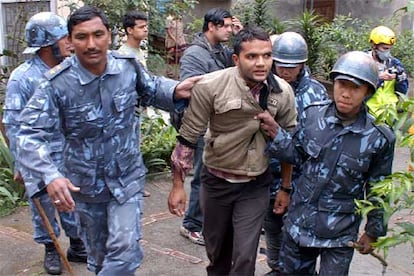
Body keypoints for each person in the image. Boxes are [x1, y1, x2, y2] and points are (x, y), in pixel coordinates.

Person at [15, 6, 199, 275]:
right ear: (70, 40)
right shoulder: (56, 84)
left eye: (98, 34)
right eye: (81, 37)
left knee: (124, 252)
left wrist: (176, 90)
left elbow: (151, 89)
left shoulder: (127, 68)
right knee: (100, 260)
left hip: (127, 182)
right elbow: (27, 133)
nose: (91, 44)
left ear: (109, 35)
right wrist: (50, 174)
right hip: (86, 190)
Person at [168, 27, 297, 275]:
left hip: (255, 185)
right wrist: (177, 185)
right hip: (216, 182)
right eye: (252, 56)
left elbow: (289, 146)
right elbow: (188, 136)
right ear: (236, 59)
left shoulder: (282, 92)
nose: (261, 63)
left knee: (245, 258)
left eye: (267, 56)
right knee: (218, 256)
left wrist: (285, 187)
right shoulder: (211, 86)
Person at [257, 51, 395, 275]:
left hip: (339, 234)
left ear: (368, 91)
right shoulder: (313, 116)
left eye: (355, 88)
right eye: (342, 84)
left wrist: (373, 231)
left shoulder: (379, 137)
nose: (346, 94)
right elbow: (296, 154)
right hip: (300, 225)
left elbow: (379, 189)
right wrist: (276, 134)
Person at [2, 12, 87, 275]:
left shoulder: (69, 70)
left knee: (72, 202)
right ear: (49, 44)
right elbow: (13, 125)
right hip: (39, 157)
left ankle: (76, 244)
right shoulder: (22, 77)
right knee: (44, 208)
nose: (70, 44)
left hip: (68, 154)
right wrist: (21, 163)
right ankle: (51, 248)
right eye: (65, 39)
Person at [173, 7, 243, 246]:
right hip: (202, 123)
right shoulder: (195, 54)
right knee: (203, 175)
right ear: (211, 26)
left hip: (220, 123)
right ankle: (192, 224)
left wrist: (240, 40)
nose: (229, 29)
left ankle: (211, 221)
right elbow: (192, 89)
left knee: (217, 175)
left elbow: (237, 70)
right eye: (225, 25)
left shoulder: (221, 51)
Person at [263, 31, 329, 275]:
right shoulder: (265, 86)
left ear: (302, 63)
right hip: (268, 170)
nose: (285, 71)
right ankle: (275, 267)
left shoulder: (316, 93)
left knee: (296, 231)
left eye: (291, 66)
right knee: (271, 224)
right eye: (280, 65)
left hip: (301, 176)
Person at [119, 10, 151, 198]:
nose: (146, 30)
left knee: (135, 146)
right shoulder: (124, 55)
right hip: (129, 109)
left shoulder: (139, 51)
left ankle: (136, 184)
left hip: (138, 108)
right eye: (141, 27)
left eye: (146, 26)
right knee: (128, 148)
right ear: (130, 30)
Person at [366, 25, 409, 117]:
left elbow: (403, 92)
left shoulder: (394, 63)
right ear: (374, 45)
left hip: (389, 115)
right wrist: (379, 78)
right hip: (367, 115)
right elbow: (359, 90)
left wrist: (399, 78)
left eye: (389, 48)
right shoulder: (363, 62)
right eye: (385, 48)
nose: (387, 52)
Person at [165, 14, 187, 79]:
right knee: (171, 57)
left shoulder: (180, 17)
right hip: (171, 41)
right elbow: (168, 31)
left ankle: (180, 73)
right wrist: (174, 39)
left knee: (182, 56)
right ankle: (170, 72)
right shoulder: (169, 18)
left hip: (181, 40)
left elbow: (181, 30)